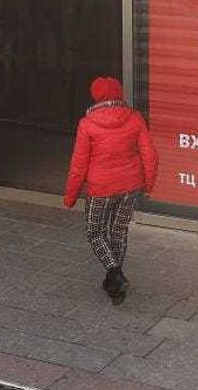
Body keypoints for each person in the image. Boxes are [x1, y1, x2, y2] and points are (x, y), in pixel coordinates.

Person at [63, 77, 158, 305]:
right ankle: (115, 283)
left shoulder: (87, 124)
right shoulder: (135, 118)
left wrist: (70, 196)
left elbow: (78, 165)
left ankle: (115, 274)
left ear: (96, 96)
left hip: (100, 188)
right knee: (119, 231)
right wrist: (148, 184)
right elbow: (150, 155)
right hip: (130, 186)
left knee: (95, 232)